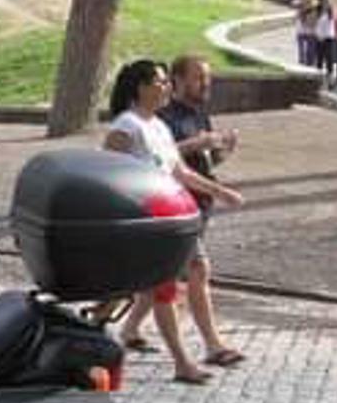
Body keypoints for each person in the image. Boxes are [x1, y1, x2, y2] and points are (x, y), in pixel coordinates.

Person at [102, 59, 244, 384]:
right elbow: (108, 174)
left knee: (191, 272)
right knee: (164, 288)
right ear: (140, 87)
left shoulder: (157, 126)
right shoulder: (126, 127)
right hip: (148, 218)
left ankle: (131, 333)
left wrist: (220, 192)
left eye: (167, 81)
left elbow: (181, 172)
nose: (166, 87)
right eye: (160, 82)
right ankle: (182, 361)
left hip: (173, 215)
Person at [159, 56, 246, 370]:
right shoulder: (163, 118)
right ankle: (213, 345)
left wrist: (223, 151)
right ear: (178, 81)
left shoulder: (199, 114)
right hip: (176, 207)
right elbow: (164, 160)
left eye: (207, 78)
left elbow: (205, 164)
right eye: (198, 78)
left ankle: (125, 329)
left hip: (199, 207)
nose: (205, 84)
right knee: (198, 270)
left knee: (161, 279)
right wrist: (194, 144)